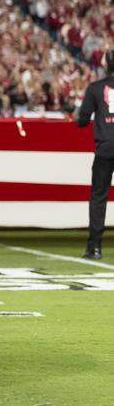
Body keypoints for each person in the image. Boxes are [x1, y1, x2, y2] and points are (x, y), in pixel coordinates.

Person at [76, 49, 114, 259]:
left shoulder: (96, 88)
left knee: (99, 197)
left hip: (106, 147)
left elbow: (82, 120)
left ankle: (95, 247)